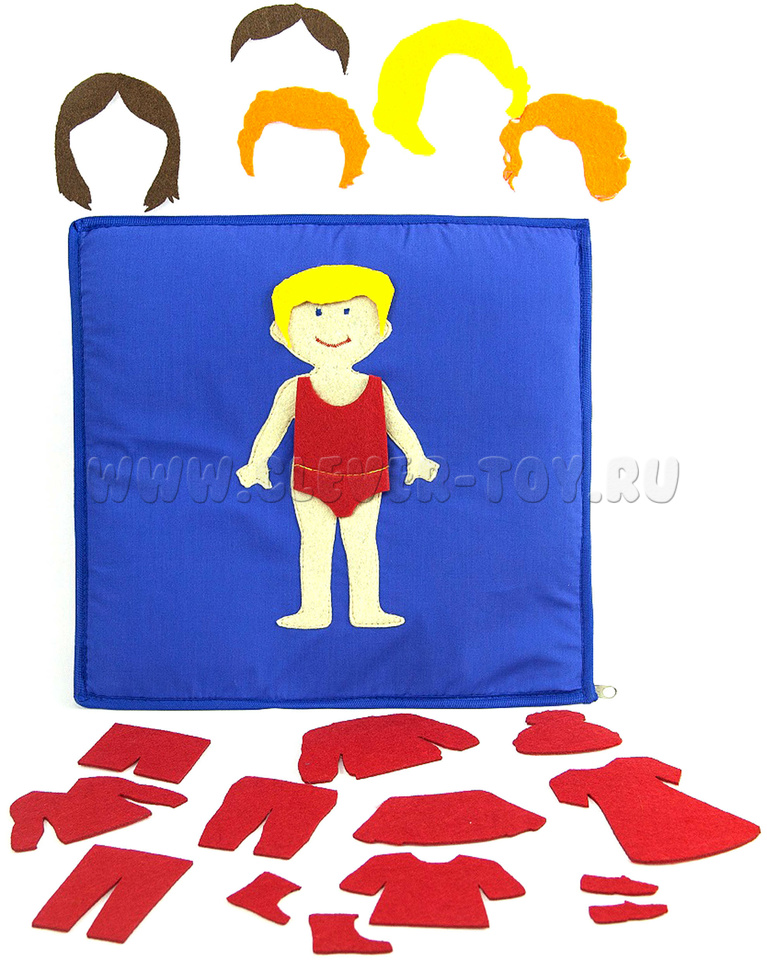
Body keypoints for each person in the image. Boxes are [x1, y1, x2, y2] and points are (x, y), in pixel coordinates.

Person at [237, 264, 439, 629]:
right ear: (281, 334)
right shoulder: (295, 389)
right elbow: (272, 429)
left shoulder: (376, 389)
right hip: (310, 480)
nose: (332, 326)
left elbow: (397, 425)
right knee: (315, 544)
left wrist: (417, 457)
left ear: (381, 330)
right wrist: (257, 463)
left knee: (362, 544)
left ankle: (367, 608)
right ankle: (314, 610)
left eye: (348, 312)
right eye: (316, 313)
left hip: (366, 479)